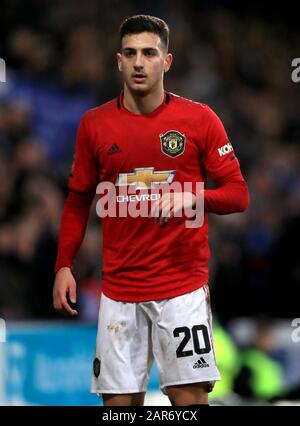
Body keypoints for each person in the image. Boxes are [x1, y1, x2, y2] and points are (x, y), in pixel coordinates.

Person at [53, 15, 249, 406]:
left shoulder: (199, 119)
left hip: (181, 289)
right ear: (119, 61)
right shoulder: (94, 124)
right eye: (130, 53)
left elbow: (238, 195)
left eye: (149, 53)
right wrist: (63, 265)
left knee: (188, 402)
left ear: (167, 61)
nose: (139, 62)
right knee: (118, 408)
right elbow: (78, 200)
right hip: (119, 291)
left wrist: (193, 197)